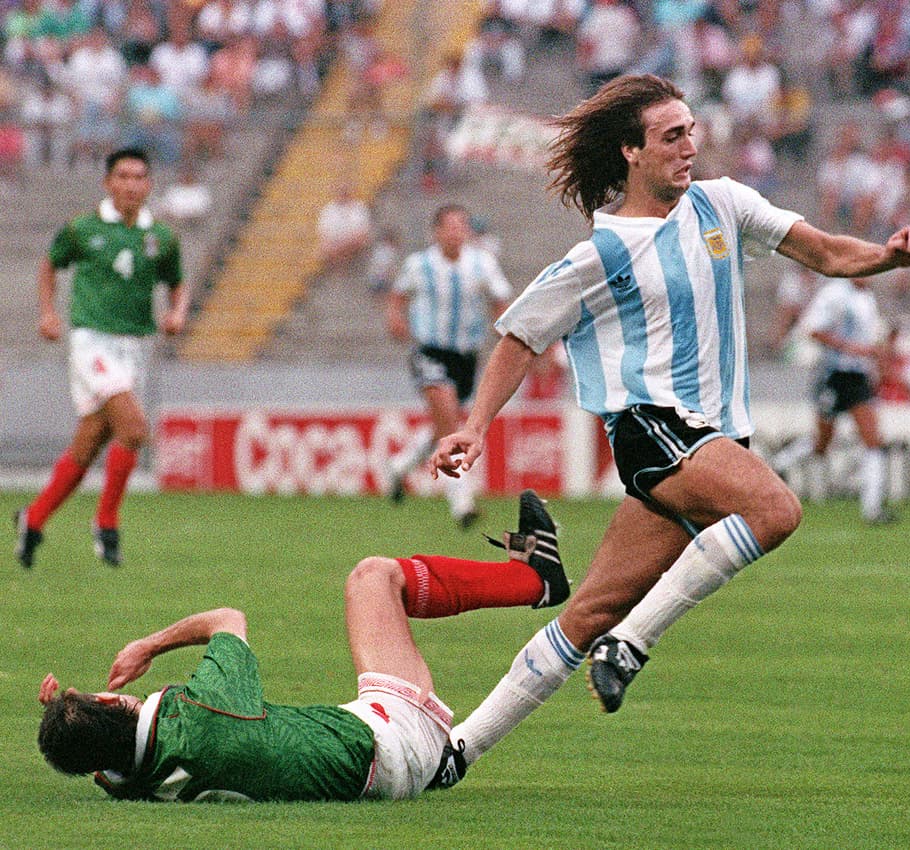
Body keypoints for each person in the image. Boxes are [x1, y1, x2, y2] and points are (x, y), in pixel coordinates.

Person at [425, 75, 910, 783]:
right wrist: (474, 427)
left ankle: (455, 753)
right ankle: (630, 647)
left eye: (692, 130)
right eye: (672, 136)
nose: (690, 146)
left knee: (587, 613)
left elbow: (824, 252)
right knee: (775, 509)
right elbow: (519, 337)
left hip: (710, 438)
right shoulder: (600, 253)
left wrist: (887, 256)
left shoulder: (722, 204)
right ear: (632, 151)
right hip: (652, 427)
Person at [36, 492, 569, 801]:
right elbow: (228, 619)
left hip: (373, 774)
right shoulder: (197, 712)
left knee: (373, 718)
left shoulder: (135, 780)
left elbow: (100, 759)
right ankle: (536, 581)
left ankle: (445, 761)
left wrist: (66, 726)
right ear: (108, 701)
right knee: (371, 578)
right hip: (390, 740)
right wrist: (150, 645)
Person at [15, 147, 188, 569]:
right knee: (133, 426)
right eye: (123, 177)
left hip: (134, 347)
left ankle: (33, 520)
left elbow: (177, 283)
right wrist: (48, 312)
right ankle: (107, 523)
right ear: (108, 183)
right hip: (91, 342)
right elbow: (49, 264)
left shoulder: (161, 237)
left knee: (91, 441)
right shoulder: (83, 229)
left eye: (139, 177)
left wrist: (177, 312)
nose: (131, 185)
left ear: (149, 184)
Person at [384, 205, 512, 527]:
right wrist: (396, 318)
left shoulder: (482, 263)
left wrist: (507, 329)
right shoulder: (419, 264)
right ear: (437, 231)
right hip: (430, 353)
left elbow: (501, 299)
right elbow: (397, 295)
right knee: (452, 427)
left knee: (447, 424)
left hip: (466, 358)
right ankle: (462, 503)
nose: (457, 232)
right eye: (450, 226)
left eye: (462, 226)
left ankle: (400, 466)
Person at [772, 277, 896, 523]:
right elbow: (813, 329)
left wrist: (877, 362)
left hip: (857, 377)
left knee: (873, 439)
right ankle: (780, 463)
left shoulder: (867, 297)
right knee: (822, 444)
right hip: (833, 374)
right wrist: (849, 348)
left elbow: (870, 342)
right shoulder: (835, 293)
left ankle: (872, 509)